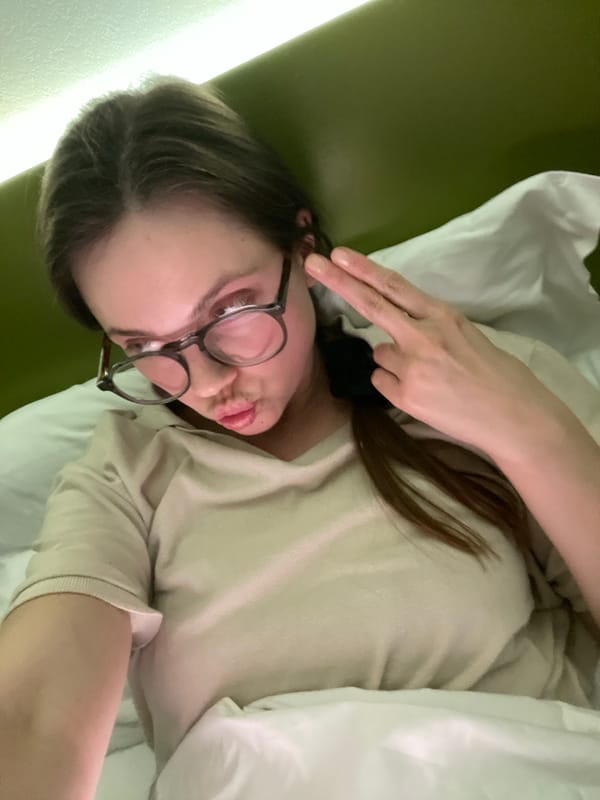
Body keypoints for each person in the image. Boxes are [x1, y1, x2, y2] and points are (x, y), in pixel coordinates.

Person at [1, 76, 599, 797]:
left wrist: (529, 432)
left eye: (230, 312)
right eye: (146, 348)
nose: (206, 379)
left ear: (303, 242)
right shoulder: (127, 473)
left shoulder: (474, 384)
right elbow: (34, 716)